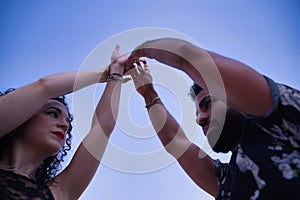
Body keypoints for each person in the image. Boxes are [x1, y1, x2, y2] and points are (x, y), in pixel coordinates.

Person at [128, 38, 300, 200]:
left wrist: (141, 50)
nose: (200, 119)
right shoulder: (228, 182)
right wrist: (148, 93)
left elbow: (187, 56)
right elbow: (175, 142)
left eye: (208, 103)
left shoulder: (278, 116)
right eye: (198, 114)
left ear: (234, 96)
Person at [0, 45, 129, 199]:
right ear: (22, 118)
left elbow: (103, 127)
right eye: (53, 113)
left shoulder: (59, 192)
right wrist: (104, 73)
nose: (65, 125)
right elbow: (44, 86)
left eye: (67, 121)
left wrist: (116, 70)